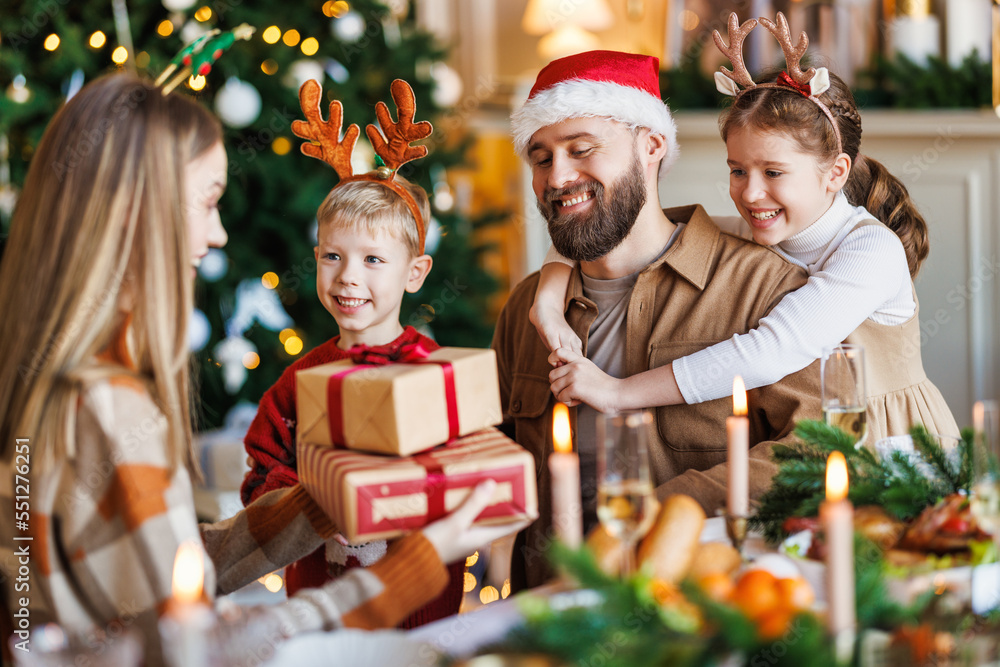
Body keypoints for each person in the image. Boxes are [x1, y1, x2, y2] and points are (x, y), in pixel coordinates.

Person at [0, 73, 524, 666]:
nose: (220, 232)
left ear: (414, 271)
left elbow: (157, 582)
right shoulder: (111, 407)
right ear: (134, 213)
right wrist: (416, 563)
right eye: (207, 201)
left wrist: (331, 496)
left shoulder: (50, 387)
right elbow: (201, 647)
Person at [529, 16, 959, 443]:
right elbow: (614, 231)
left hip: (896, 442)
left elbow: (772, 350)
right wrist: (548, 299)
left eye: (773, 172)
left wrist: (618, 391)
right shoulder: (756, 232)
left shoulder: (871, 250)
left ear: (836, 172)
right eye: (737, 170)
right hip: (834, 438)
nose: (751, 193)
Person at [494, 49, 823, 592]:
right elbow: (492, 455)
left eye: (581, 150)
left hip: (704, 621)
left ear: (651, 146)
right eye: (541, 158)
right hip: (549, 622)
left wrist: (669, 509)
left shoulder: (763, 288)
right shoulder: (529, 307)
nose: (558, 176)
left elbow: (819, 450)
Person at [240, 176, 466, 625]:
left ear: (415, 273)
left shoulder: (437, 374)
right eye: (332, 256)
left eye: (373, 259)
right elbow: (260, 476)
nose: (348, 276)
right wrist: (305, 504)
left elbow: (471, 470)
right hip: (322, 615)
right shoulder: (299, 380)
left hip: (422, 615)